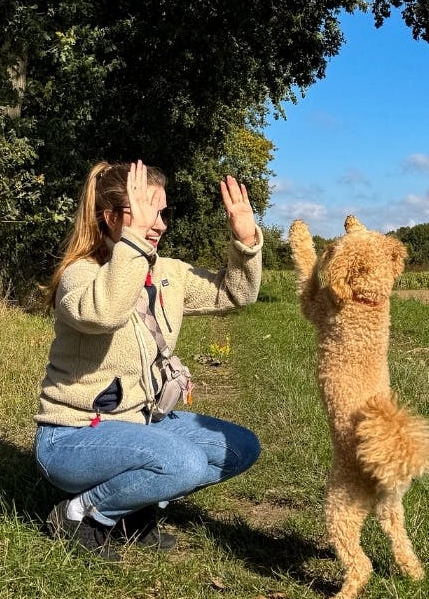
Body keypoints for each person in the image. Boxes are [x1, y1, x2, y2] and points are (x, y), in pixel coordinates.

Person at [35, 160, 264, 559]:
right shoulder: (79, 276)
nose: (158, 225)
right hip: (71, 437)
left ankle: (132, 510)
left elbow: (234, 293)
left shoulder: (167, 274)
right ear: (109, 218)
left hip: (142, 422)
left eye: (161, 213)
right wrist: (134, 245)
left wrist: (245, 241)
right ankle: (80, 514)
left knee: (240, 448)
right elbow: (104, 312)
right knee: (187, 462)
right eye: (145, 214)